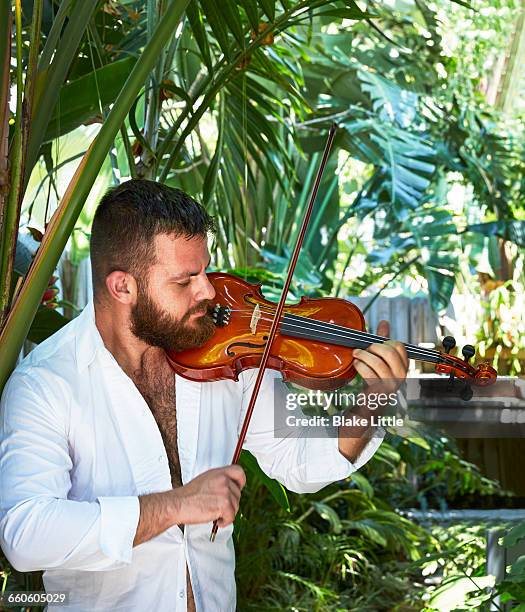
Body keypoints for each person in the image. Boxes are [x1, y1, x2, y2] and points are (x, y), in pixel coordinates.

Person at [0, 179, 408, 611]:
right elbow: (26, 533)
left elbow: (298, 458)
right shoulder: (45, 384)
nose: (208, 291)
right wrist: (176, 506)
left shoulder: (224, 354)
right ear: (122, 287)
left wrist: (372, 401)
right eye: (185, 281)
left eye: (205, 270)